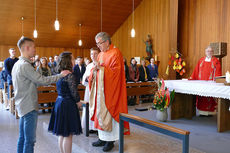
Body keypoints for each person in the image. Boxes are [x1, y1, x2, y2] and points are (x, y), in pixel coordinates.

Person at [12, 37, 70, 153]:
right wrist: (60, 75)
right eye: (34, 47)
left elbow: (28, 82)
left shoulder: (18, 64)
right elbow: (42, 80)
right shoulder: (24, 65)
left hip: (22, 105)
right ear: (27, 48)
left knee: (22, 138)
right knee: (30, 141)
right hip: (28, 106)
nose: (35, 50)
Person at [89, 32, 130, 152]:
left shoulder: (116, 53)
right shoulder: (101, 54)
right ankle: (102, 138)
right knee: (100, 113)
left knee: (108, 112)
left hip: (111, 91)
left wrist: (101, 69)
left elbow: (115, 74)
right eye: (97, 44)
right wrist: (95, 70)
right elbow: (97, 69)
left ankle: (110, 140)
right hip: (101, 91)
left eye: (100, 43)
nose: (98, 46)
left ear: (107, 42)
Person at [48, 52, 82, 153]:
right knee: (68, 134)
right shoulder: (69, 75)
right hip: (67, 104)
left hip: (59, 102)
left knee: (62, 133)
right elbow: (74, 92)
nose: (74, 60)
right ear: (68, 61)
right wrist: (78, 101)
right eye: (73, 59)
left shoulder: (60, 73)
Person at [190, 46, 221, 116]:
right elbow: (196, 70)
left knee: (209, 97)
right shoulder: (201, 60)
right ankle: (201, 112)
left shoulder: (216, 61)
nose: (209, 52)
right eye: (208, 51)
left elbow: (218, 71)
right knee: (202, 97)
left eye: (211, 51)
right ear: (205, 52)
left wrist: (216, 80)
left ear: (213, 52)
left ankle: (210, 113)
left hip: (210, 83)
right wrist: (192, 77)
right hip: (201, 82)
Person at [81, 47, 99, 133]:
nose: (93, 56)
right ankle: (90, 126)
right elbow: (84, 77)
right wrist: (86, 78)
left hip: (97, 91)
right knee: (89, 108)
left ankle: (97, 127)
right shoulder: (89, 66)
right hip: (89, 90)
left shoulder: (100, 64)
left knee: (97, 108)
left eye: (95, 53)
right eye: (92, 54)